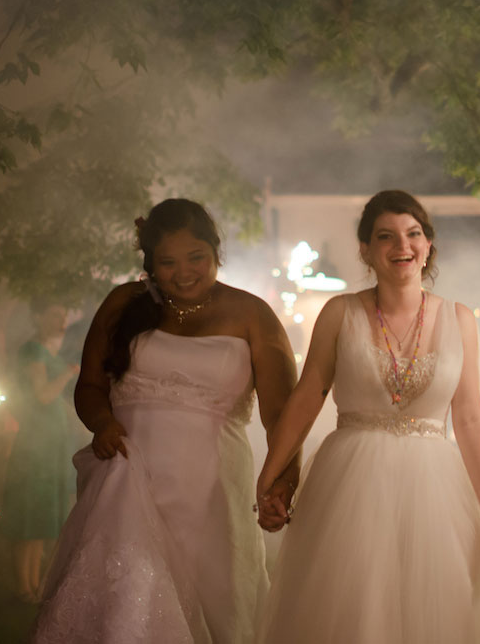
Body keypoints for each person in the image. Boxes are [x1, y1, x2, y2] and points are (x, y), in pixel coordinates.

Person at [255, 190, 480, 644]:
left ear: (428, 244)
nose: (402, 246)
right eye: (386, 236)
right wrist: (269, 475)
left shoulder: (460, 319)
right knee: (351, 610)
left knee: (437, 610)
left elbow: (470, 416)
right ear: (366, 249)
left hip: (435, 491)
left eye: (413, 233)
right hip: (350, 486)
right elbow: (307, 398)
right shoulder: (340, 313)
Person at [30, 199, 298, 643]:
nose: (183, 272)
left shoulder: (252, 315)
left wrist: (282, 483)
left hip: (212, 494)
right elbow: (90, 387)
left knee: (216, 603)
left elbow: (283, 417)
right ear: (150, 264)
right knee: (126, 604)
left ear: (216, 252)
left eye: (196, 257)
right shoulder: (123, 302)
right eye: (167, 262)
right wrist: (101, 423)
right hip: (129, 484)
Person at [0, 298, 79, 603]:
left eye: (64, 314)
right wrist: (68, 373)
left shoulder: (49, 351)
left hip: (51, 448)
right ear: (38, 315)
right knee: (28, 517)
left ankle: (32, 586)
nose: (62, 320)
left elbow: (58, 402)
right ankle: (22, 587)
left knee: (42, 518)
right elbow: (43, 395)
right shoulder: (32, 350)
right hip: (35, 447)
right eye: (56, 313)